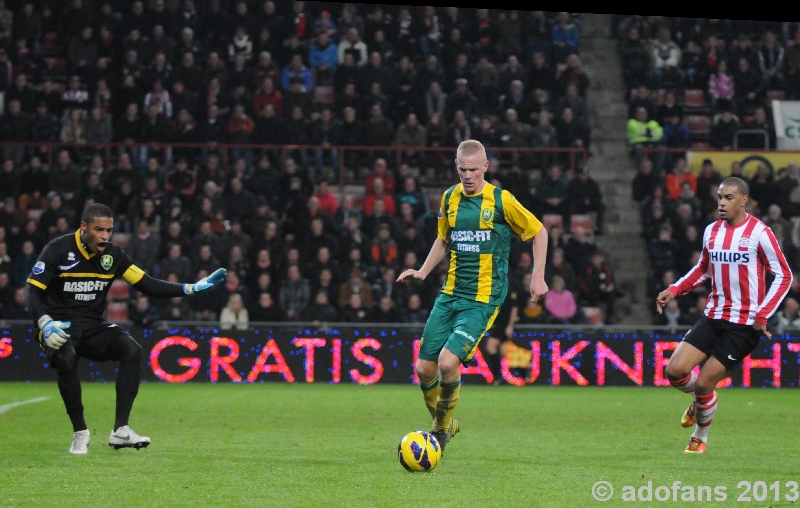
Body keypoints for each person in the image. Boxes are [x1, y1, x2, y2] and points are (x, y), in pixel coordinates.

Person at [25, 204, 227, 454]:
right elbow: (32, 292)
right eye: (99, 230)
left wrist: (191, 288)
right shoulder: (57, 249)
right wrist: (44, 323)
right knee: (67, 357)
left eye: (109, 230)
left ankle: (121, 430)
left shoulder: (113, 256)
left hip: (91, 323)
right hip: (59, 325)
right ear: (83, 227)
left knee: (131, 349)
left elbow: (148, 284)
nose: (105, 236)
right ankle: (80, 433)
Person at [396, 140, 548, 453]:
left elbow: (539, 232)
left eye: (473, 170)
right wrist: (423, 272)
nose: (467, 175)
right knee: (424, 369)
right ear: (456, 167)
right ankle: (447, 422)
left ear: (485, 167)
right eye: (462, 169)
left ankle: (439, 431)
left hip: (482, 299)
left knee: (447, 363)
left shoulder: (501, 200)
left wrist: (537, 276)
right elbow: (443, 239)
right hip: (450, 294)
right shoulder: (449, 197)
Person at [657, 177, 792, 454]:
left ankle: (699, 437)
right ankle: (703, 400)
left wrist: (763, 313)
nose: (721, 202)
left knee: (705, 380)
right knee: (674, 371)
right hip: (714, 316)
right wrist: (675, 288)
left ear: (744, 200)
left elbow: (784, 275)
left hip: (744, 325)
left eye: (729, 197)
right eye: (720, 197)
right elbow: (703, 269)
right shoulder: (711, 231)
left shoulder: (759, 233)